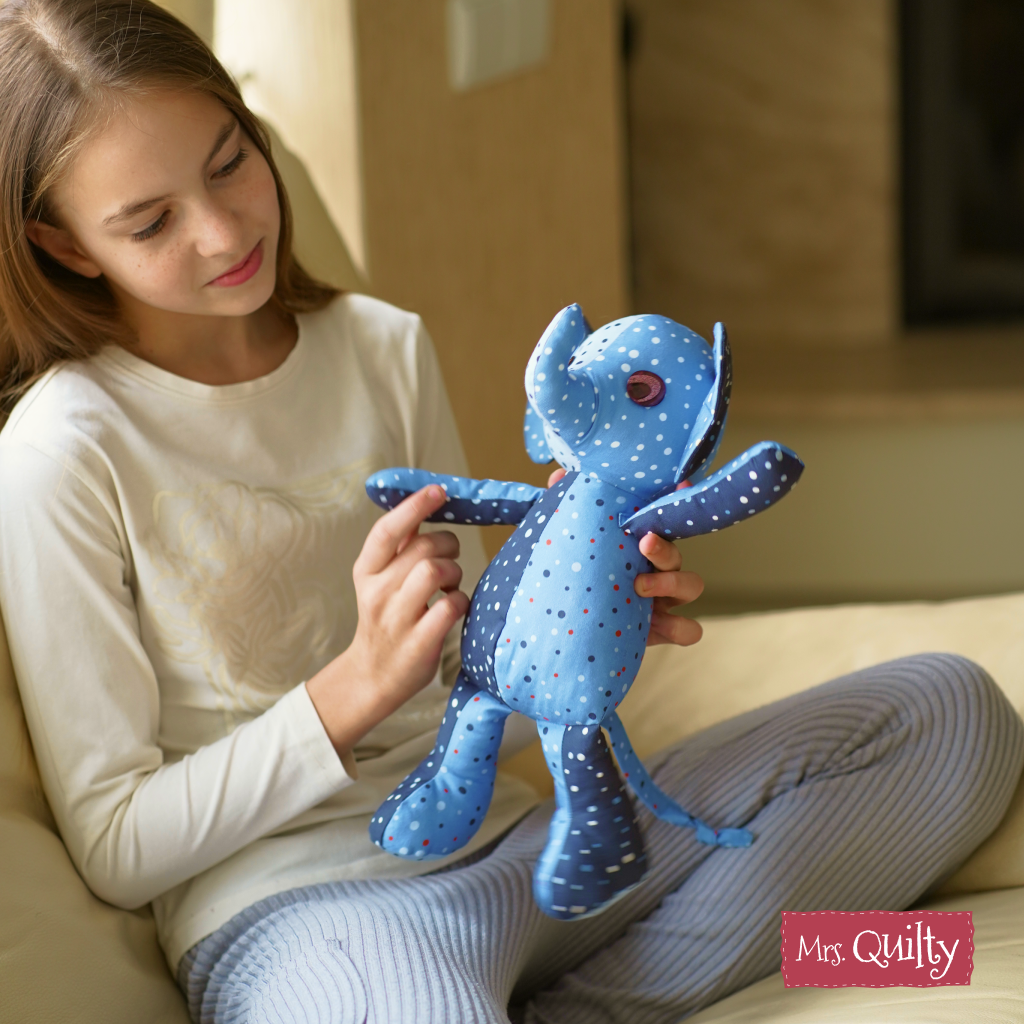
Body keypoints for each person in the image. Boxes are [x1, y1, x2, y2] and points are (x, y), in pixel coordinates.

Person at [0, 3, 1020, 1023]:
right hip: (314, 913)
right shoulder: (63, 453)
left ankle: (599, 1005)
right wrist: (350, 690)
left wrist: (602, 609)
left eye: (228, 163)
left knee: (953, 714)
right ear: (66, 244)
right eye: (150, 221)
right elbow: (116, 846)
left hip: (539, 857)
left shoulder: (380, 345)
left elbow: (488, 668)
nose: (223, 230)